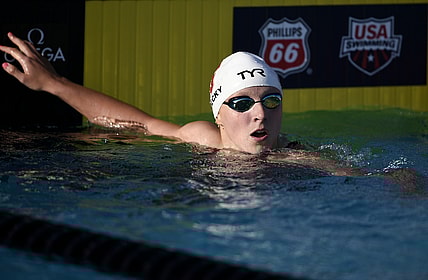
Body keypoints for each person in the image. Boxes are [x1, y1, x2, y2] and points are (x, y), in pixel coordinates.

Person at [1, 32, 426, 187]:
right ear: (218, 112)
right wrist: (52, 84)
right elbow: (135, 122)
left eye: (271, 101)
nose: (260, 114)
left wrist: (402, 179)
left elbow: (369, 176)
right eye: (241, 103)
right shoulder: (202, 137)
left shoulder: (296, 159)